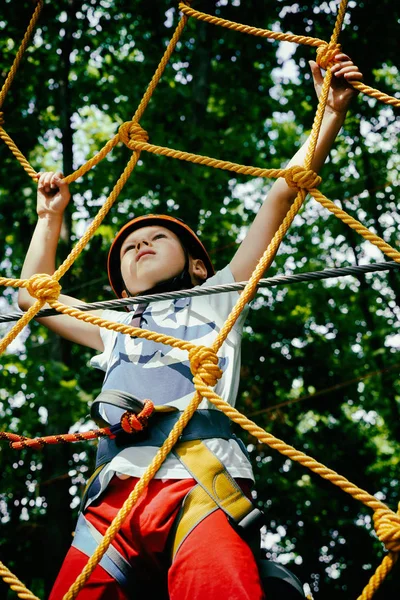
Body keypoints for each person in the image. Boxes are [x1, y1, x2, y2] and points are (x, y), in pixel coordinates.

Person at [18, 54, 362, 600]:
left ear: (197, 265)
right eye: (129, 247)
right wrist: (49, 218)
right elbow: (33, 298)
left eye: (156, 239)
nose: (140, 245)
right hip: (114, 501)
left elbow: (281, 194)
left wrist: (329, 114)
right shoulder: (116, 324)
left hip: (202, 482)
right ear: (122, 288)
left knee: (219, 588)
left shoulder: (220, 294)